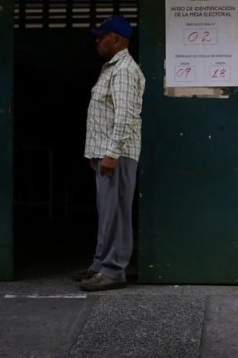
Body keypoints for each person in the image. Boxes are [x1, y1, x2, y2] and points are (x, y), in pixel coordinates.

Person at [76, 14, 146, 291]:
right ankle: (99, 265)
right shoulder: (111, 68)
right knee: (107, 212)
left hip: (117, 154)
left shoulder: (124, 70)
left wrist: (111, 154)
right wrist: (96, 153)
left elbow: (124, 117)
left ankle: (114, 270)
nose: (98, 41)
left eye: (102, 36)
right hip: (106, 153)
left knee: (116, 213)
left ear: (116, 40)